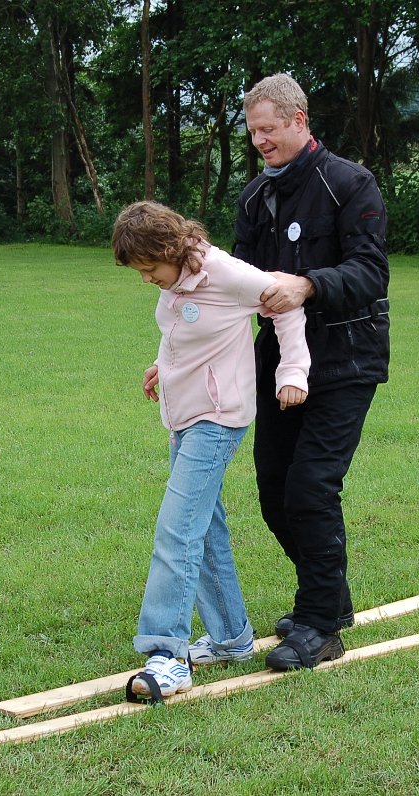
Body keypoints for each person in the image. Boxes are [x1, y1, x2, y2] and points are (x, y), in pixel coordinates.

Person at [113, 201, 311, 698]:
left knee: (176, 530)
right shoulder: (177, 281)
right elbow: (184, 330)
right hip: (184, 413)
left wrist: (292, 372)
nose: (145, 279)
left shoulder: (224, 272)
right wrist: (163, 364)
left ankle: (167, 653)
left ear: (170, 248)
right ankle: (230, 637)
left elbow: (285, 304)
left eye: (148, 268)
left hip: (217, 420)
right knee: (204, 525)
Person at [233, 73, 390, 671]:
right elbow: (235, 286)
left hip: (346, 361)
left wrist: (307, 285)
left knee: (311, 488)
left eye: (269, 129)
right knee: (274, 491)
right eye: (253, 133)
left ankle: (321, 625)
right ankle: (331, 597)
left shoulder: (350, 183)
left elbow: (370, 273)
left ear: (300, 120)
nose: (260, 142)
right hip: (277, 365)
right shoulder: (254, 198)